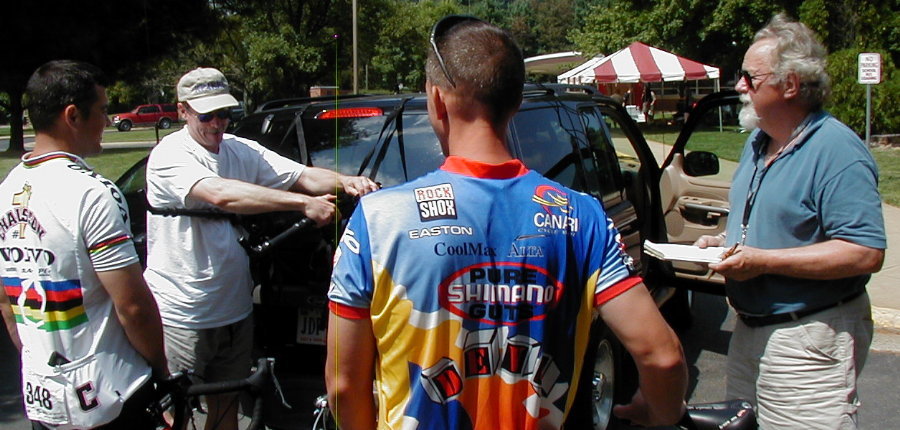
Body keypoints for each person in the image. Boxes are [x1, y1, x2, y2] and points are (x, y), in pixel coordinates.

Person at [325, 15, 687, 430]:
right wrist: (661, 412)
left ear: (438, 101)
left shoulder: (377, 219)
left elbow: (342, 384)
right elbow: (663, 356)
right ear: (516, 103)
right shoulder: (583, 217)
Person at [144, 67, 378, 430]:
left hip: (234, 308)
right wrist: (301, 205)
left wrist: (346, 181)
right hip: (183, 313)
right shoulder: (169, 154)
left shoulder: (240, 150)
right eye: (206, 115)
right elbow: (221, 193)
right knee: (179, 415)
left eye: (224, 113)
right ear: (183, 111)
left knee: (225, 411)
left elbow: (301, 176)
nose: (217, 123)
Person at [694, 13, 886, 429]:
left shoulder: (836, 150)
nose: (739, 86)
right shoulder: (758, 142)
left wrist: (763, 261)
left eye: (749, 77)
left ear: (791, 85)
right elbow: (771, 223)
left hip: (810, 336)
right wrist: (721, 241)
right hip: (750, 330)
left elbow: (865, 252)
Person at [0, 60, 167, 429]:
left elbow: (7, 304)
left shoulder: (6, 189)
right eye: (104, 110)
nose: (108, 122)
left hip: (43, 397)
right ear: (72, 115)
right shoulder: (92, 194)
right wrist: (161, 368)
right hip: (111, 394)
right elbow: (133, 307)